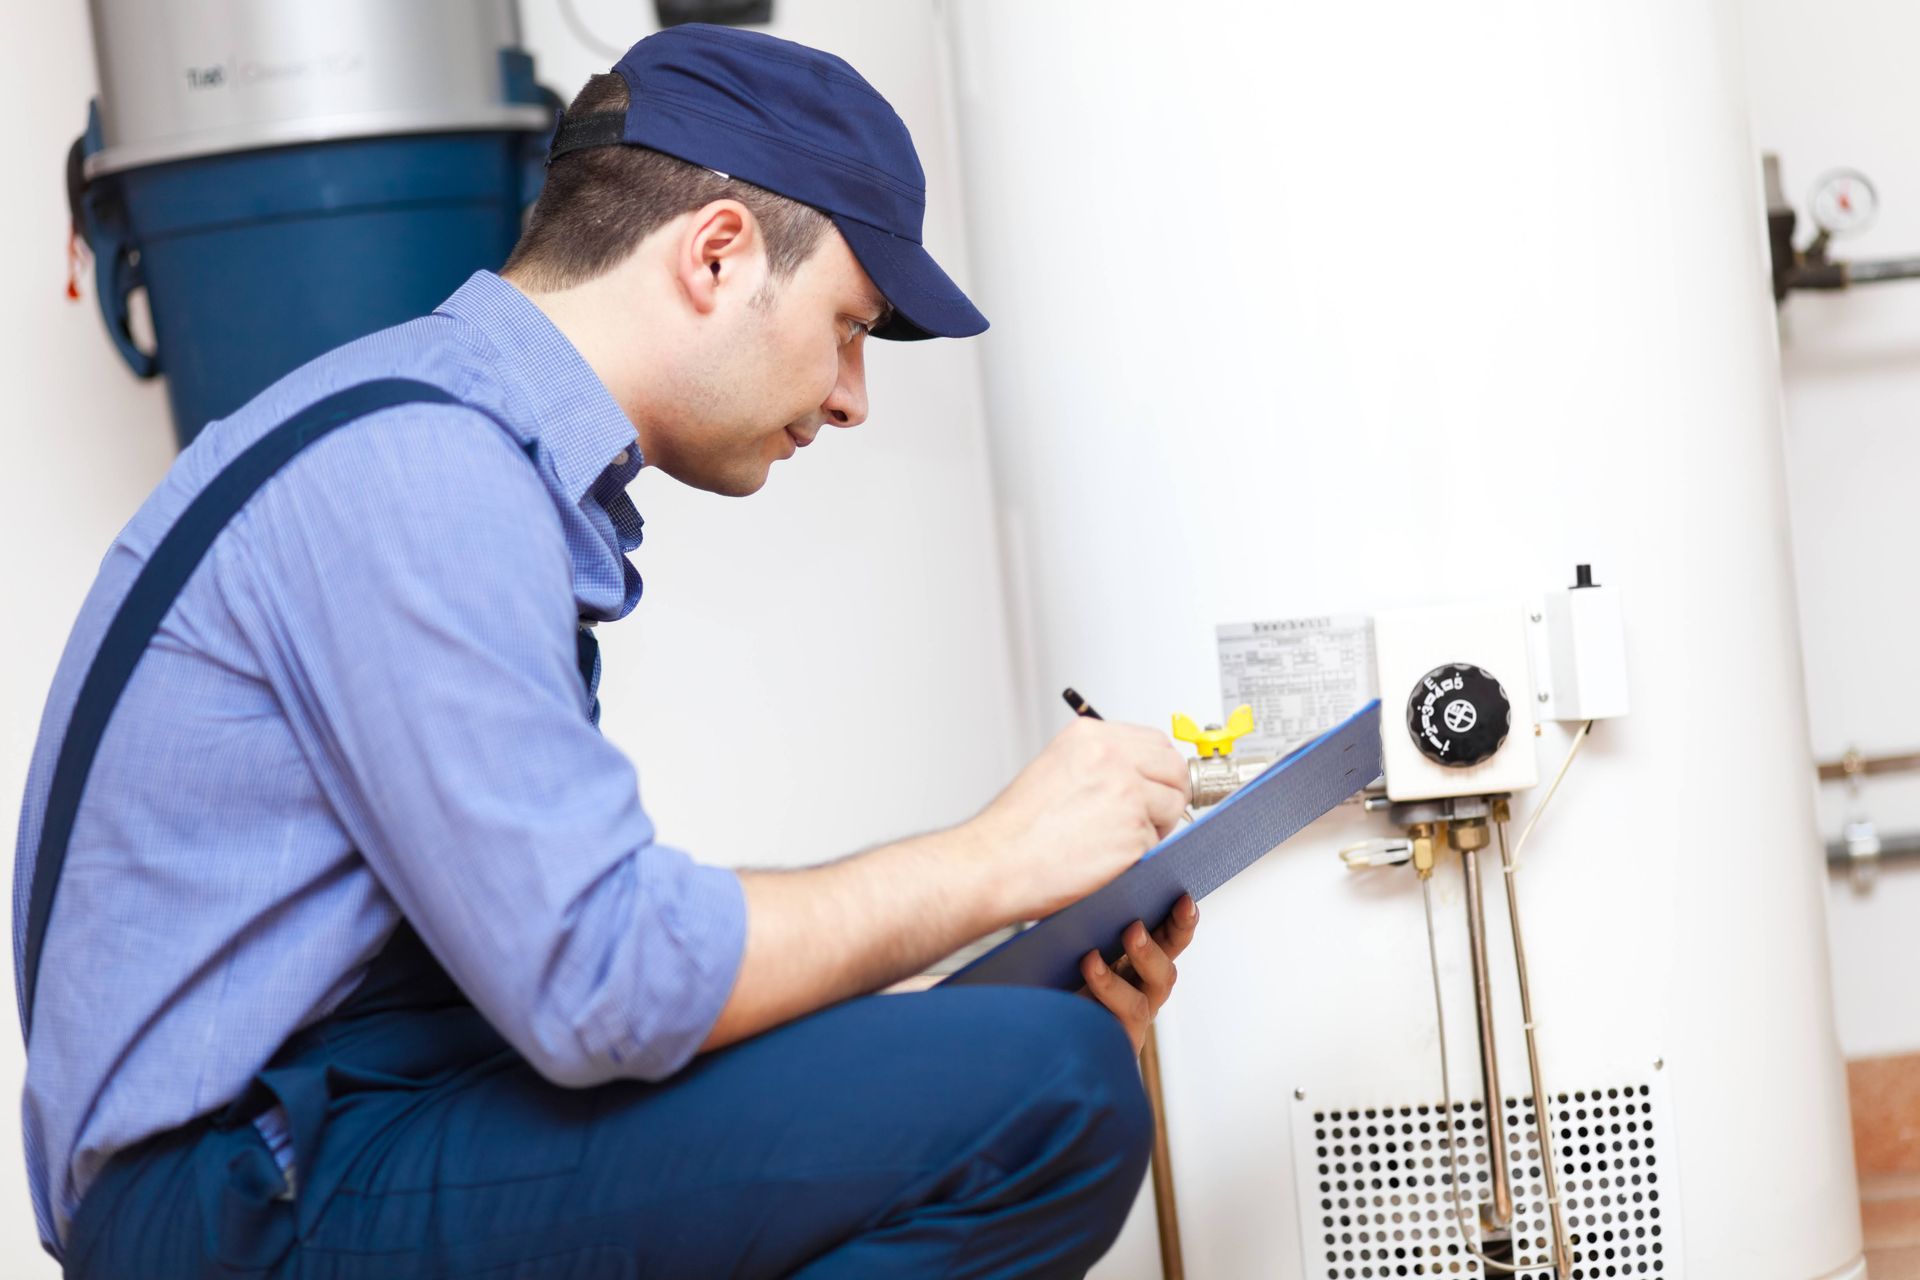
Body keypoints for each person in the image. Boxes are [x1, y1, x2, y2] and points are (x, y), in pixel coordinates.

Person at [15, 24, 1198, 1278]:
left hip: (331, 1145)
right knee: (1053, 1092)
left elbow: (580, 988)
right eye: (850, 324)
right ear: (718, 252)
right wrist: (996, 861)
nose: (853, 395)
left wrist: (955, 1047)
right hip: (238, 1199)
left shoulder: (428, 436)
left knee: (1018, 1071)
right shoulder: (424, 470)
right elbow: (604, 979)